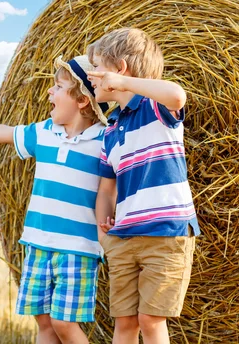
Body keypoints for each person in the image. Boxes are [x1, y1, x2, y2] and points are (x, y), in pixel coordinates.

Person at [0, 55, 109, 344]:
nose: (49, 92)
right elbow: (3, 132)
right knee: (43, 322)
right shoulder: (44, 132)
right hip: (38, 242)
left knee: (64, 324)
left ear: (81, 100)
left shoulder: (104, 141)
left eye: (57, 87)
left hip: (77, 248)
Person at [86, 28, 200, 344]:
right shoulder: (111, 131)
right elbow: (107, 189)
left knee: (150, 321)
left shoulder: (156, 109)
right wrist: (103, 234)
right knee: (124, 323)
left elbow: (177, 94)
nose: (90, 77)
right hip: (123, 239)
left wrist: (124, 84)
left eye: (96, 67)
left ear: (120, 69)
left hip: (165, 235)